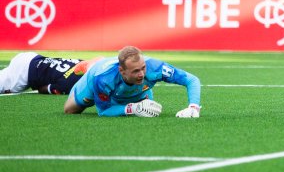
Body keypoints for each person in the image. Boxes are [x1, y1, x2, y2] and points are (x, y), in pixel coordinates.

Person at [63, 45, 202, 118]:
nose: (141, 74)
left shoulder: (156, 68)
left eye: (143, 68)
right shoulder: (103, 79)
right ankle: (91, 64)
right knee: (70, 110)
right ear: (122, 71)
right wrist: (132, 109)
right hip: (93, 80)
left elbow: (192, 80)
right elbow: (104, 112)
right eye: (135, 71)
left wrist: (193, 107)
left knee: (148, 114)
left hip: (138, 92)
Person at [0, 52, 102, 95]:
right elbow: (43, 89)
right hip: (23, 74)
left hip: (31, 57)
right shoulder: (71, 84)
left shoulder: (83, 62)